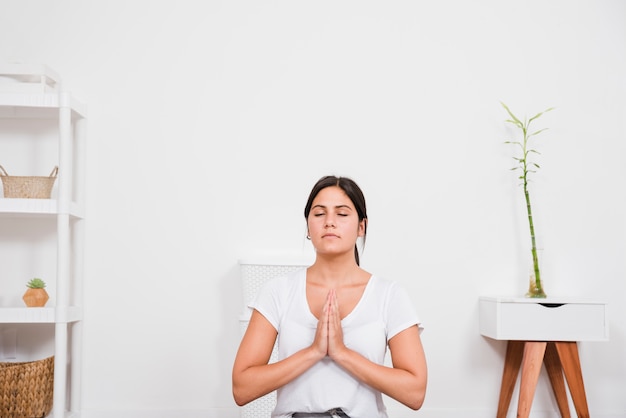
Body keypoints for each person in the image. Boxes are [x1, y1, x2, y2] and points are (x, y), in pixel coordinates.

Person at [232, 175, 427, 418]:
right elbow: (242, 388)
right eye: (319, 213)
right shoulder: (277, 291)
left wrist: (342, 353)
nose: (329, 222)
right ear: (308, 227)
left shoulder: (390, 295)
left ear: (361, 227)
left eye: (342, 214)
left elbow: (415, 393)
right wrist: (313, 352)